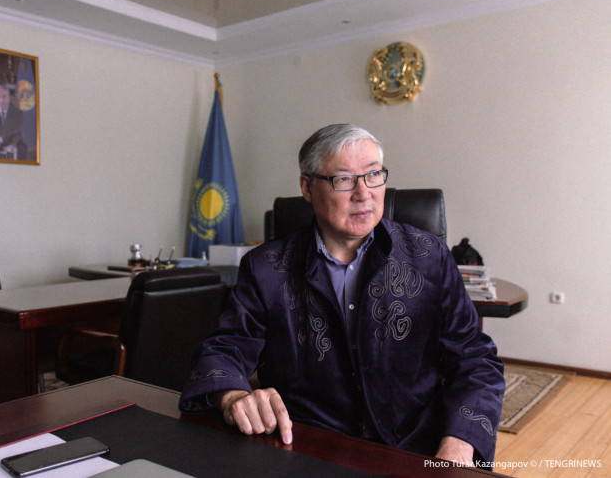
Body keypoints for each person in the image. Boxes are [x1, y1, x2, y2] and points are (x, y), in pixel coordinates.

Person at [179, 123, 504, 467]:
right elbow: (224, 348)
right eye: (344, 179)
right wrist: (232, 396)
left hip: (414, 449)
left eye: (373, 175)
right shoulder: (266, 268)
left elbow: (476, 360)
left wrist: (459, 444)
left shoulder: (429, 257)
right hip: (307, 448)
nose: (363, 193)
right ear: (307, 187)